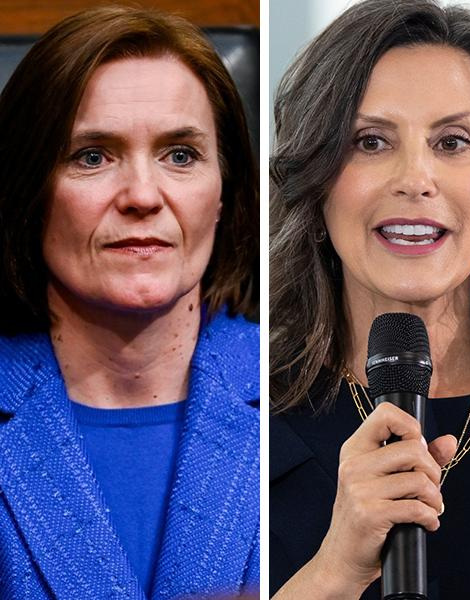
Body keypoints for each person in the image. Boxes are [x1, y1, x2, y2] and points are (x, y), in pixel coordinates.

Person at [269, 0, 470, 597]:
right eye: (370, 142)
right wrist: (335, 568)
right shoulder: (252, 412)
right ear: (314, 184)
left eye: (454, 141)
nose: (415, 178)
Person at [0, 6, 259, 599]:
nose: (143, 195)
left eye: (181, 155)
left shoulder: (306, 394)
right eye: (92, 156)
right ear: (28, 193)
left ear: (224, 193)